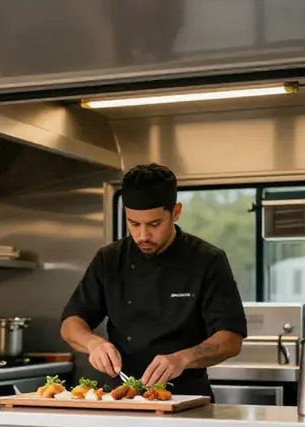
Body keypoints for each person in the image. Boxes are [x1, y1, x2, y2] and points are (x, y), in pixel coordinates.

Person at [59, 163, 247, 399]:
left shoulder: (207, 260)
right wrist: (92, 343)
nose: (143, 235)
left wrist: (182, 358)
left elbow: (231, 339)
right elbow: (71, 323)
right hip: (120, 397)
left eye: (154, 224)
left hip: (185, 398)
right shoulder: (109, 259)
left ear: (176, 212)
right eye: (134, 224)